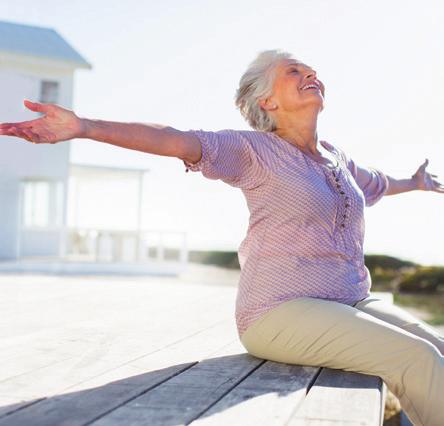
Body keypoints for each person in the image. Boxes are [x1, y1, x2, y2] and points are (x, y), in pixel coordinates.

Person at [1, 49, 443, 425]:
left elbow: (377, 184)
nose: (311, 75)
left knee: (437, 348)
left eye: (312, 71)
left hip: (351, 300)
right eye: (294, 71)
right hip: (279, 311)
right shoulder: (252, 151)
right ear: (267, 100)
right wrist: (85, 127)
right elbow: (175, 139)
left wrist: (416, 182)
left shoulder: (335, 158)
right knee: (416, 359)